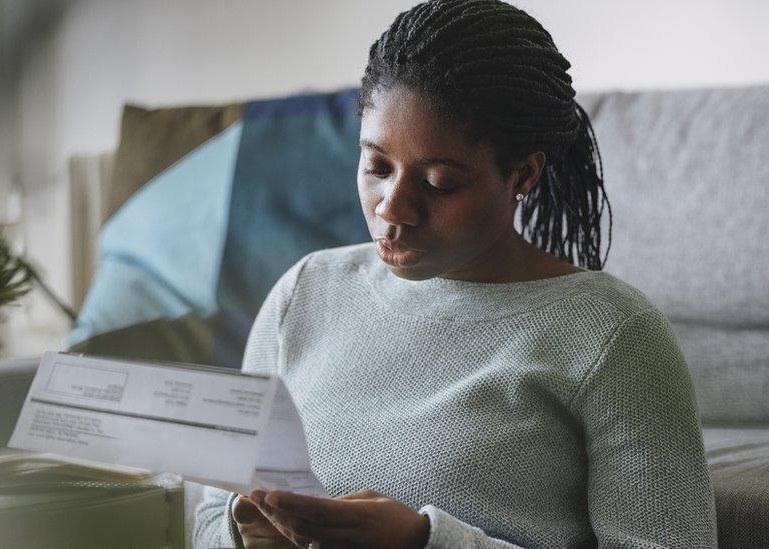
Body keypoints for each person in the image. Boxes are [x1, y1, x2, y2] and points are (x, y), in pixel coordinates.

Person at [193, 0, 717, 547]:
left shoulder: (613, 335)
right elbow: (208, 516)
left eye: (439, 182)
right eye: (376, 167)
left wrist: (426, 542)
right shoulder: (305, 292)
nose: (393, 208)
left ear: (523, 173)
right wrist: (243, 534)